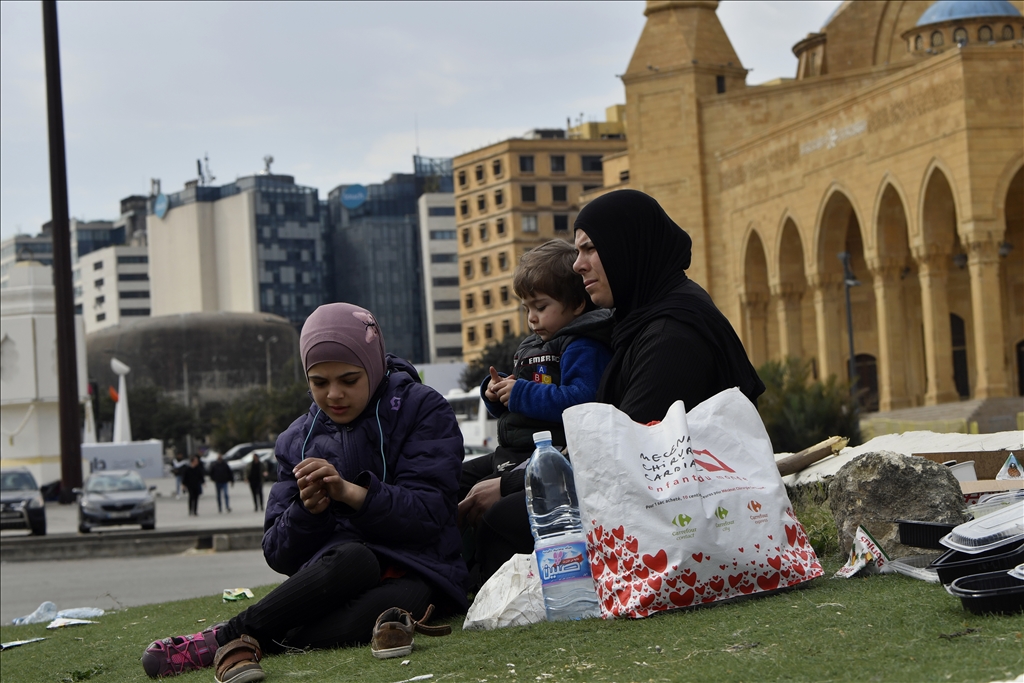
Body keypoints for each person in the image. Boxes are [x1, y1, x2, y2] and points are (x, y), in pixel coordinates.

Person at [141, 302, 467, 680]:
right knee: (355, 559)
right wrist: (307, 511)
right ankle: (238, 637)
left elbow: (432, 514)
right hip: (339, 572)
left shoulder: (422, 409)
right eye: (319, 382)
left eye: (349, 379)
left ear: (374, 366)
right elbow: (277, 552)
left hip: (419, 568)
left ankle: (233, 637)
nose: (334, 395)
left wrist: (353, 494)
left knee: (398, 605)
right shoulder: (295, 439)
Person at [458, 239, 612, 586]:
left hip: (549, 454)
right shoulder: (537, 344)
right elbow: (523, 403)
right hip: (514, 449)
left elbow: (582, 400)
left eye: (541, 306)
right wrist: (496, 394)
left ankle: (492, 580)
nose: (531, 318)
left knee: (493, 511)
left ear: (575, 304)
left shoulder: (583, 344)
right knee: (454, 480)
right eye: (526, 307)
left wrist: (522, 392)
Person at [572, 189, 765, 422]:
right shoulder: (648, 317)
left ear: (629, 247)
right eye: (577, 252)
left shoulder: (670, 337)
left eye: (590, 248)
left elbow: (630, 446)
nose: (577, 265)